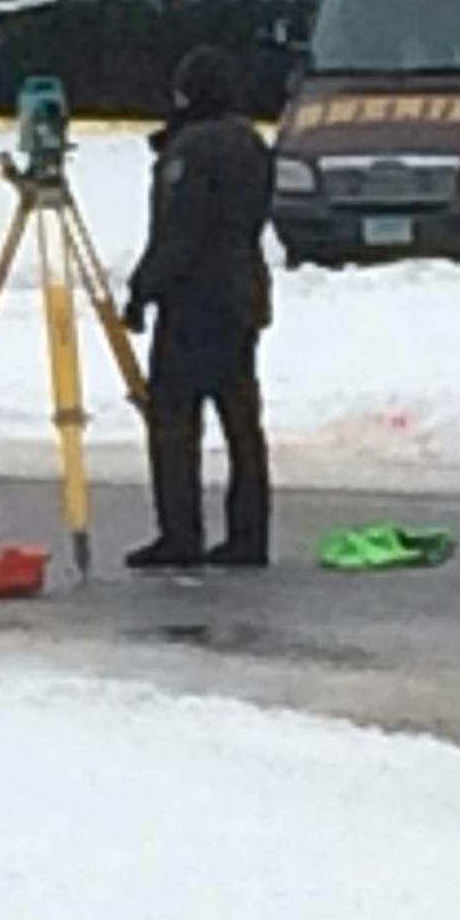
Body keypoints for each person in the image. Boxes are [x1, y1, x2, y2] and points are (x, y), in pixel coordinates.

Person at [124, 45, 274, 570]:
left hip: (195, 302)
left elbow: (179, 231)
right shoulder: (251, 142)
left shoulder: (191, 149)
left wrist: (144, 289)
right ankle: (250, 533)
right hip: (243, 292)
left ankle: (180, 531)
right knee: (241, 421)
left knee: (174, 420)